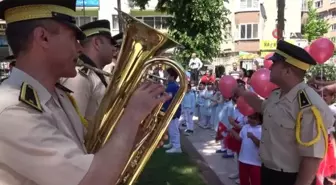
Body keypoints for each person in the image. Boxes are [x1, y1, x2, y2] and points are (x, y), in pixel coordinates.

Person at [0, 1, 170, 185]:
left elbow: (88, 154)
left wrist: (137, 136)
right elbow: (91, 180)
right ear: (43, 38)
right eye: (74, 38)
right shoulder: (13, 111)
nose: (80, 48)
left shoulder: (58, 96)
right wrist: (132, 116)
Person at [235, 40, 335, 185]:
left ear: (287, 71)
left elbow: (312, 157)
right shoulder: (278, 94)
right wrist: (243, 93)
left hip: (289, 178)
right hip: (268, 171)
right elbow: (263, 107)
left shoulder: (309, 106)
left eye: (275, 64)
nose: (270, 67)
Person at [62, 20, 119, 125]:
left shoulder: (96, 76)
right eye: (110, 43)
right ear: (97, 43)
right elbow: (73, 126)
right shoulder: (79, 77)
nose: (113, 48)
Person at [229, 112, 262, 185]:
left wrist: (253, 137)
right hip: (243, 160)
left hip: (256, 163)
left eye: (254, 118)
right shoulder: (245, 127)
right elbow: (240, 138)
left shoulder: (262, 130)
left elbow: (261, 145)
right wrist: (232, 131)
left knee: (256, 182)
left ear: (260, 120)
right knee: (243, 181)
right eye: (250, 117)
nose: (251, 120)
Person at [162, 68, 182, 153]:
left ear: (172, 77)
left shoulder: (172, 86)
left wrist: (160, 92)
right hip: (171, 110)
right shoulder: (171, 84)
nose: (165, 76)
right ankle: (172, 143)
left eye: (167, 75)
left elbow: (169, 97)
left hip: (173, 111)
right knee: (171, 129)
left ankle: (177, 147)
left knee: (174, 130)